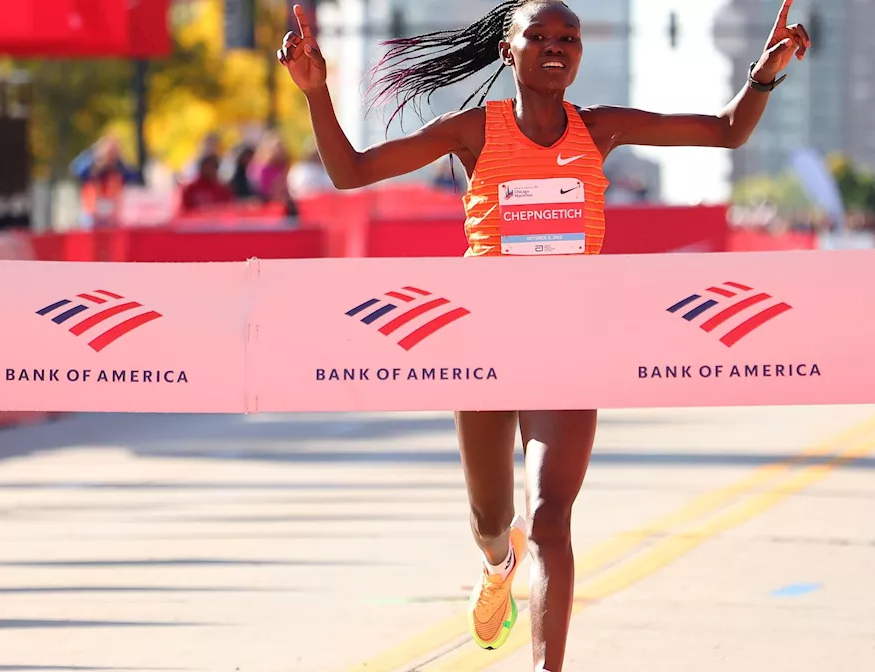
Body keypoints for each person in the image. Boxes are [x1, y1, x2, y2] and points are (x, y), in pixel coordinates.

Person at [277, 1, 809, 669]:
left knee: (553, 517)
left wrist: (762, 77)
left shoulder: (600, 129)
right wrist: (316, 90)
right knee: (493, 522)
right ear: (509, 51)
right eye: (540, 36)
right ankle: (498, 565)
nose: (556, 46)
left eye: (569, 37)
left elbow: (728, 132)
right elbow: (351, 172)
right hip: (483, 347)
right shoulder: (474, 130)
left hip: (566, 346)